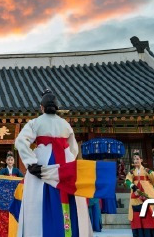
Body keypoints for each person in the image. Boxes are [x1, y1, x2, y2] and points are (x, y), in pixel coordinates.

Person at [13, 89, 94, 236]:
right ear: (57, 108)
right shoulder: (65, 124)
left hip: (42, 164)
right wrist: (68, 160)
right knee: (73, 200)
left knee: (38, 200)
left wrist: (31, 162)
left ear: (41, 107)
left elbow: (20, 141)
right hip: (66, 165)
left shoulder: (35, 123)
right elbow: (74, 148)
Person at [125, 152, 154, 237]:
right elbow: (127, 180)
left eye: (137, 159)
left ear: (141, 160)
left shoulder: (147, 171)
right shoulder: (131, 172)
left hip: (148, 194)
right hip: (136, 195)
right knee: (137, 215)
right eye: (134, 159)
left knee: (152, 213)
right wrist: (132, 185)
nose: (136, 161)